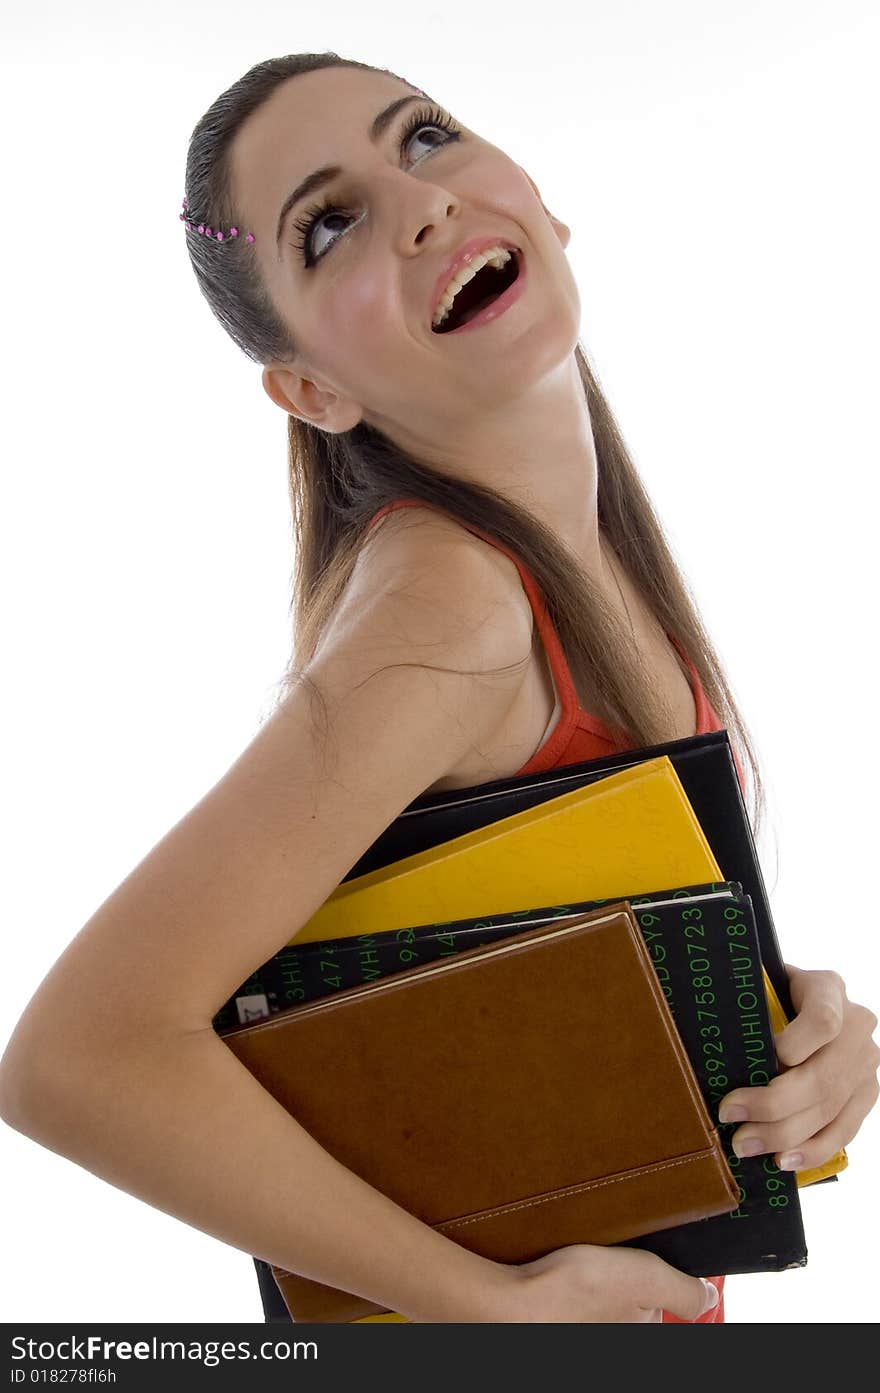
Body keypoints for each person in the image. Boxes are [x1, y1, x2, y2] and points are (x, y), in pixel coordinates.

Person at [0, 51, 877, 1326]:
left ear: (543, 204)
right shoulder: (451, 608)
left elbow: (544, 950)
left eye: (422, 138)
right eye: (331, 221)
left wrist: (800, 1023)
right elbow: (77, 1059)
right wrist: (485, 1308)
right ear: (314, 391)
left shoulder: (576, 562)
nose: (420, 205)